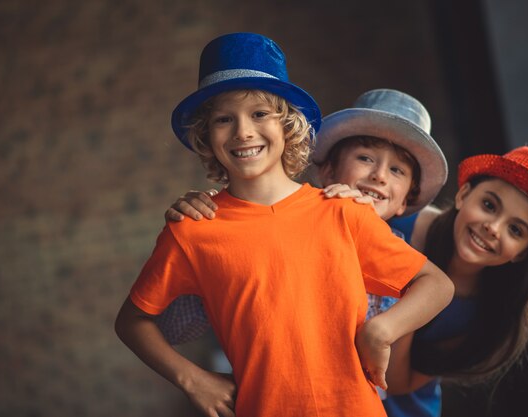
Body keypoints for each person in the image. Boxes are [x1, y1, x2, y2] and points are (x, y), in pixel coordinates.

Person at [114, 33, 453, 417]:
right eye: (225, 119)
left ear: (289, 124)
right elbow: (133, 322)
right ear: (206, 135)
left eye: (260, 114)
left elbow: (438, 284)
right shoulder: (194, 227)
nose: (243, 131)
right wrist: (193, 379)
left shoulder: (342, 212)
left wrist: (383, 330)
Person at [167, 145, 528, 417]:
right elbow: (295, 224)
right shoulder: (398, 221)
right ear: (464, 193)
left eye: (516, 230)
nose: (493, 228)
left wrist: (408, 301)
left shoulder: (490, 316)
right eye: (489, 204)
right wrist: (213, 208)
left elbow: (397, 382)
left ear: (522, 251)